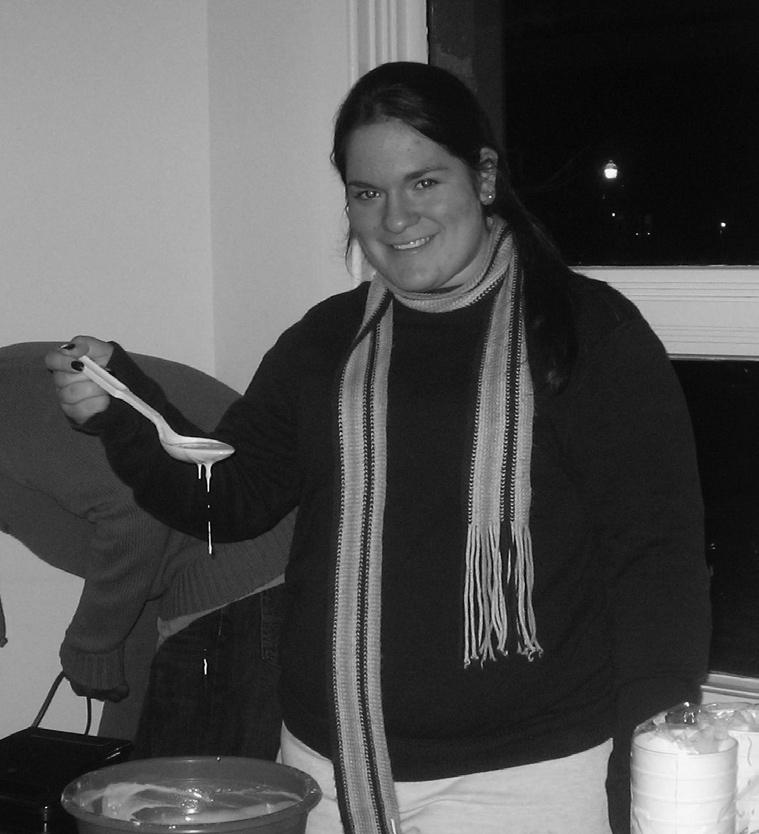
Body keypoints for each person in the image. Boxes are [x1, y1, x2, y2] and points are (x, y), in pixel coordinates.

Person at [45, 62, 711, 834]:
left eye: (423, 182)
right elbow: (229, 502)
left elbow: (656, 570)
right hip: (327, 771)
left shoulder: (589, 335)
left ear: (483, 177)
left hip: (530, 780)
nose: (395, 218)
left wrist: (649, 770)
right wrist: (126, 411)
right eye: (366, 193)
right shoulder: (324, 341)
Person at [1, 341, 292, 758]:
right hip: (178, 572)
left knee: (193, 789)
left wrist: (91, 644)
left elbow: (135, 514)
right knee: (127, 771)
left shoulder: (10, 393)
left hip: (240, 561)